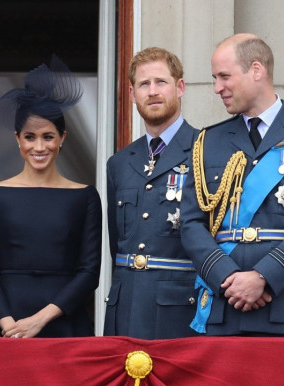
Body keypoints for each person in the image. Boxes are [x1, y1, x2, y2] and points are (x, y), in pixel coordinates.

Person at [180, 34, 284, 337]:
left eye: (224, 76)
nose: (217, 88)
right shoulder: (207, 142)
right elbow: (191, 223)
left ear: (257, 70)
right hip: (223, 304)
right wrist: (226, 277)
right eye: (215, 78)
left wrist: (262, 277)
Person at [0, 56, 101, 338]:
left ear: (63, 138)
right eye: (30, 137)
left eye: (48, 136)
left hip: (64, 324)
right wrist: (11, 327)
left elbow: (90, 272)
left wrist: (40, 320)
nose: (39, 146)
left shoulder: (85, 197)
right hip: (5, 326)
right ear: (17, 138)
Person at [103, 47, 200, 339]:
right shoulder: (119, 163)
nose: (153, 91)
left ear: (179, 87)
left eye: (161, 82)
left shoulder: (205, 151)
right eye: (144, 84)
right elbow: (116, 244)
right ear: (132, 94)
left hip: (179, 310)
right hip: (125, 306)